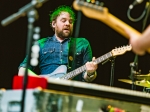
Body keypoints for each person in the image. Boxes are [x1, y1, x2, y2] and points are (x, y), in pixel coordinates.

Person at [18, 5, 98, 82]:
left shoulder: (82, 43)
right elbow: (22, 71)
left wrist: (90, 73)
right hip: (47, 91)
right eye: (63, 20)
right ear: (53, 24)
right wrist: (42, 81)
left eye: (71, 21)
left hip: (72, 92)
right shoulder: (41, 44)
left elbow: (87, 78)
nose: (67, 24)